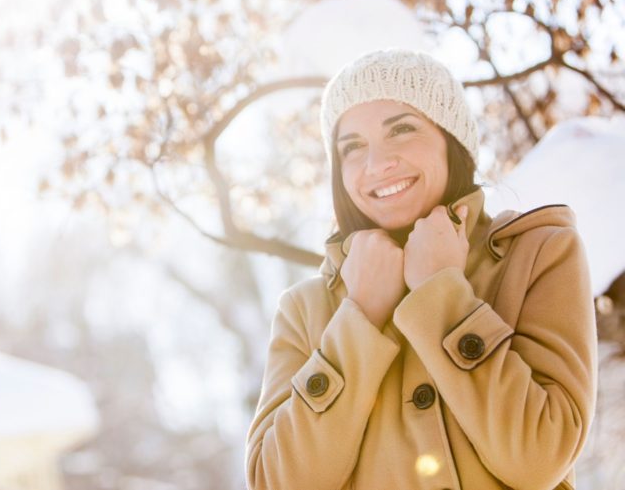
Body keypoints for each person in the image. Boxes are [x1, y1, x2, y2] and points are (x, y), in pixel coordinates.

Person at [245, 49, 597, 490]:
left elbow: (539, 457)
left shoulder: (539, 254)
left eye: (402, 130)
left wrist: (441, 294)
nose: (376, 164)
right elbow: (279, 483)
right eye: (352, 147)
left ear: (452, 142)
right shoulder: (305, 309)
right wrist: (359, 318)